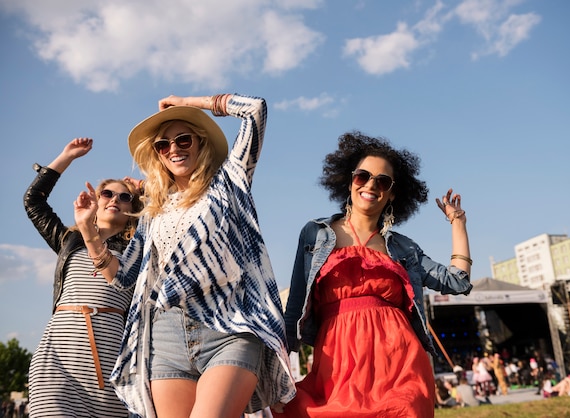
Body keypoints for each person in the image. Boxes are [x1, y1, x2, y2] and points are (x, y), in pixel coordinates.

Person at [74, 94, 296, 418]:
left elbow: (255, 110)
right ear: (158, 156)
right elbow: (123, 279)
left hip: (228, 327)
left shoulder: (228, 183)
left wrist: (189, 103)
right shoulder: (154, 210)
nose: (174, 148)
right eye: (163, 145)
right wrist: (88, 232)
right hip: (167, 336)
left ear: (199, 142)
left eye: (183, 139)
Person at [276, 131, 473, 417]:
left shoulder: (404, 248)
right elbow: (294, 308)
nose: (371, 185)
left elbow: (457, 282)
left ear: (392, 192)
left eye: (383, 181)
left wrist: (458, 223)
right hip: (336, 366)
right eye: (362, 176)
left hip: (400, 363)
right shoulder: (315, 234)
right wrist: (278, 372)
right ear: (349, 180)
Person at [24, 138, 143, 417]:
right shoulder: (70, 240)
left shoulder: (140, 249)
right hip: (58, 360)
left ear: (132, 211)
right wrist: (67, 156)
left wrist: (147, 189)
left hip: (113, 365)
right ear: (95, 200)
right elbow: (33, 201)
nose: (115, 199)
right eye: (107, 194)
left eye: (124, 197)